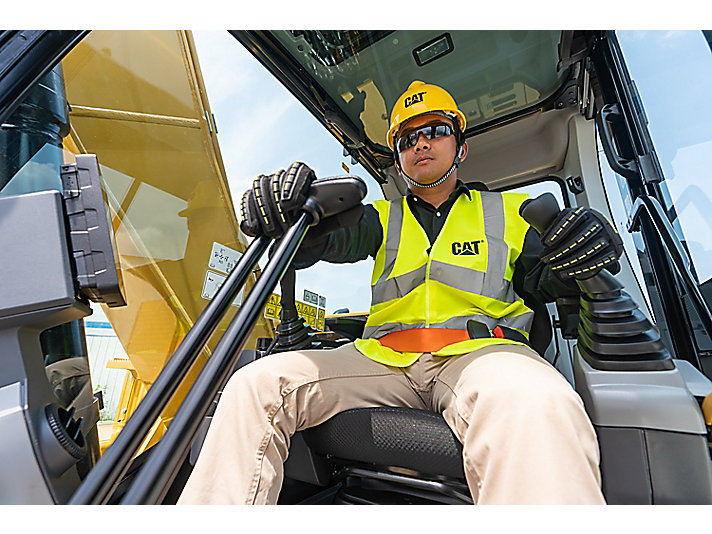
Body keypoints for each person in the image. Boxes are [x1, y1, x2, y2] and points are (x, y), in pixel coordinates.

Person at [178, 81, 623, 505]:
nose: (421, 144)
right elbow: (325, 241)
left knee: (537, 401)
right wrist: (289, 217)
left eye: (434, 131)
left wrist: (584, 247)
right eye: (407, 139)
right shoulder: (380, 218)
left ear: (460, 146)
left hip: (482, 357)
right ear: (398, 158)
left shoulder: (511, 212)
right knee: (256, 384)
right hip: (380, 362)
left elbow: (552, 278)